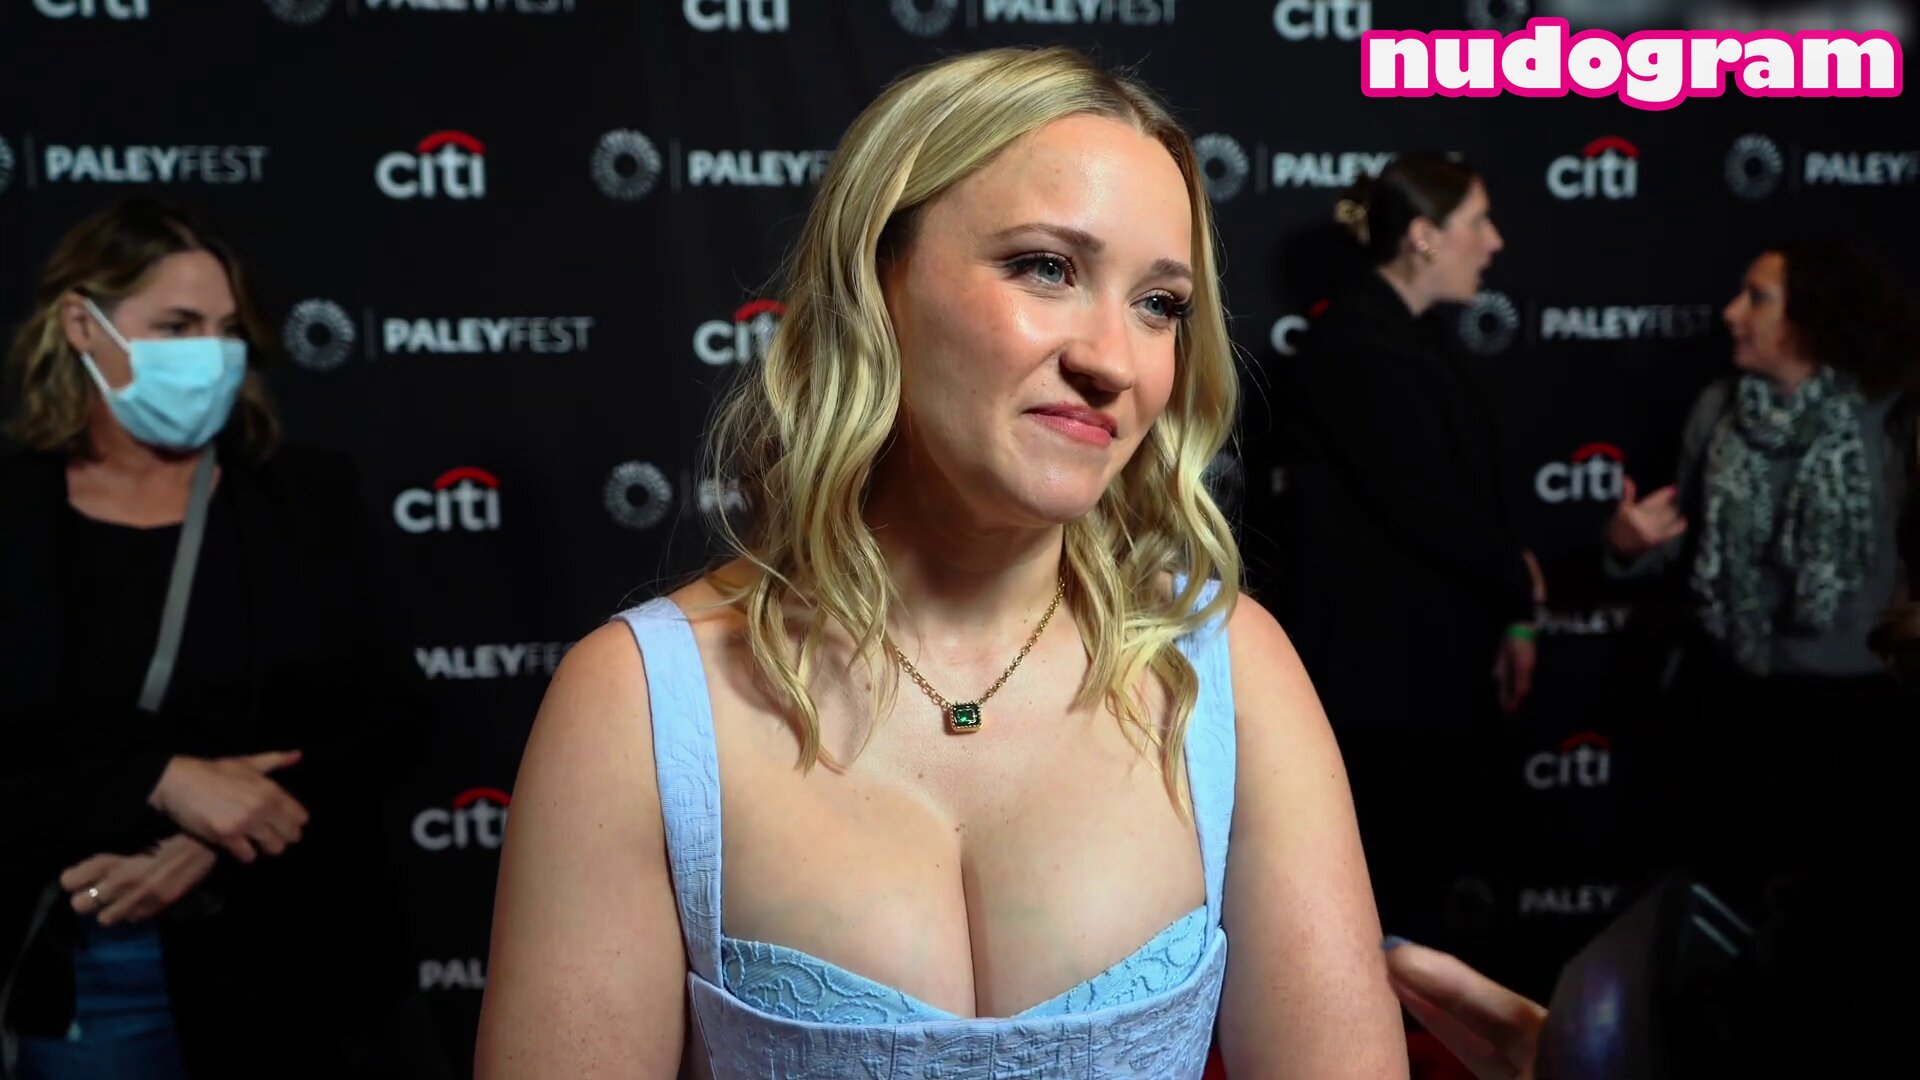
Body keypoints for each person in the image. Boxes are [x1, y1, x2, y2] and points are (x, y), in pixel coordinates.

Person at [475, 46, 1406, 1079]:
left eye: (1160, 304)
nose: (1113, 361)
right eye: (1047, 268)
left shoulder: (1229, 671)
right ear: (879, 279)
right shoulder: (639, 703)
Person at [0, 198, 433, 1079]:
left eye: (227, 329)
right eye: (177, 326)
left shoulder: (307, 498)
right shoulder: (14, 515)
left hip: (301, 964)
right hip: (93, 974)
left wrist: (213, 839)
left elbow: (394, 718)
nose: (211, 353)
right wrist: (161, 781)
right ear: (82, 326)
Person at [1269, 153, 1543, 960]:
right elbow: (1428, 505)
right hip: (1383, 700)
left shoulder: (1414, 340)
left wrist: (1515, 613)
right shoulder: (1357, 346)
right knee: (1392, 914)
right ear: (1424, 236)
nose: (1494, 242)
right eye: (1477, 222)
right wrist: (1517, 585)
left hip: (1426, 687)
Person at [1605, 239, 1919, 890]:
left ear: (1810, 314)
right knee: (1733, 893)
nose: (1731, 313)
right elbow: (1680, 544)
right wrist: (1629, 544)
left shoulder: (1890, 413)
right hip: (1738, 699)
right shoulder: (1716, 409)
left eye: (1757, 298)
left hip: (1864, 708)